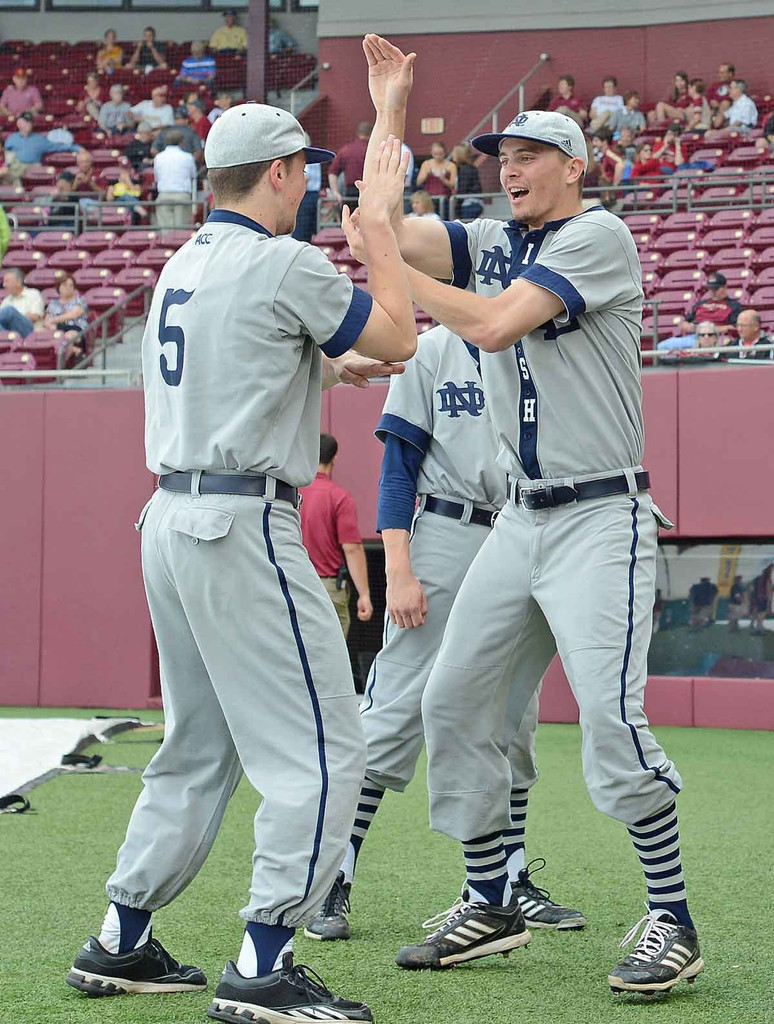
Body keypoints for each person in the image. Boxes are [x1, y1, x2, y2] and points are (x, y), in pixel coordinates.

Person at [350, 34, 703, 994]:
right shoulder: (497, 235)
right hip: (519, 519)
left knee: (609, 723)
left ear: (573, 166)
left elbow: (496, 322)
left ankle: (673, 918)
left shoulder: (601, 236)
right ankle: (489, 902)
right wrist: (388, 110)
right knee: (451, 701)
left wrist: (391, 262)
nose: (507, 169)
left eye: (528, 155)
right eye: (500, 157)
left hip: (600, 517)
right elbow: (373, 220)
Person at [65, 102, 416, 1024]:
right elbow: (399, 339)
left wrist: (315, 371)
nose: (306, 183)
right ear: (278, 175)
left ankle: (122, 937)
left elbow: (246, 356)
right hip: (242, 522)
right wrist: (378, 227)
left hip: (170, 518)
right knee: (327, 749)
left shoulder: (182, 263)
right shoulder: (283, 260)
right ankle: (265, 961)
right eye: (300, 168)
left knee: (198, 745)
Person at [305, 324, 586, 944]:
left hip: (518, 531)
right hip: (445, 533)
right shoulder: (430, 350)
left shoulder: (532, 343)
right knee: (394, 712)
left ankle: (505, 885)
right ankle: (333, 877)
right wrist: (398, 568)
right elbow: (398, 467)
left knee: (514, 720)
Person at [299, 433, 373, 637]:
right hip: (328, 589)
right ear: (334, 458)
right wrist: (364, 594)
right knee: (330, 659)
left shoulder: (293, 494)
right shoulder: (339, 497)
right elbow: (352, 548)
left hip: (293, 585)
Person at [3, 112, 80, 183]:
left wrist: (78, 148)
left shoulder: (40, 139)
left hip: (33, 168)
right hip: (15, 167)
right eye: (26, 121)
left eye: (30, 122)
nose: (28, 124)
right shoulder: (11, 138)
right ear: (18, 123)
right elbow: (4, 154)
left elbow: (58, 146)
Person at [152, 129, 197, 230]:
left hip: (164, 195)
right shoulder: (188, 157)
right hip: (182, 195)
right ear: (181, 142)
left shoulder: (158, 157)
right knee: (181, 232)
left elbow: (156, 178)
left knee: (165, 232)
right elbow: (193, 176)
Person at [44, 274, 90, 364]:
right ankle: (74, 350)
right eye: (65, 285)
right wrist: (53, 326)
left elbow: (73, 315)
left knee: (66, 337)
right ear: (59, 287)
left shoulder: (80, 300)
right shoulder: (53, 303)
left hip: (75, 329)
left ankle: (60, 367)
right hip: (56, 330)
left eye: (71, 285)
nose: (68, 288)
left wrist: (54, 320)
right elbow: (46, 322)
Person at [327, 121, 371, 205]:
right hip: (369, 194)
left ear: (358, 133)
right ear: (371, 134)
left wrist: (335, 192)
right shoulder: (373, 150)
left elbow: (332, 172)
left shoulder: (346, 150)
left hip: (350, 194)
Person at [0, 268, 44, 337]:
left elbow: (35, 316)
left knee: (9, 310)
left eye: (7, 281)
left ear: (18, 282)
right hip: (10, 333)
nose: (4, 285)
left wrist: (15, 316)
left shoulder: (33, 293)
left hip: (29, 332)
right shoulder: (7, 300)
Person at [416, 141, 457, 209]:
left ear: (445, 153)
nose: (438, 156)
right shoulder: (426, 164)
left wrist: (443, 179)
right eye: (435, 154)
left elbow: (453, 184)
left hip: (445, 198)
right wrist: (427, 174)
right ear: (431, 153)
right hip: (428, 198)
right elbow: (418, 182)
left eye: (440, 154)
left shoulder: (451, 165)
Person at [707, 62, 735, 126]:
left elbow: (736, 98)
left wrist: (719, 104)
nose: (719, 75)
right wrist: (711, 102)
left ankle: (716, 126)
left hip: (729, 110)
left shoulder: (735, 85)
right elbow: (707, 97)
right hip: (714, 110)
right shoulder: (714, 86)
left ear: (730, 74)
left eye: (722, 73)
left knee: (725, 103)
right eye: (719, 73)